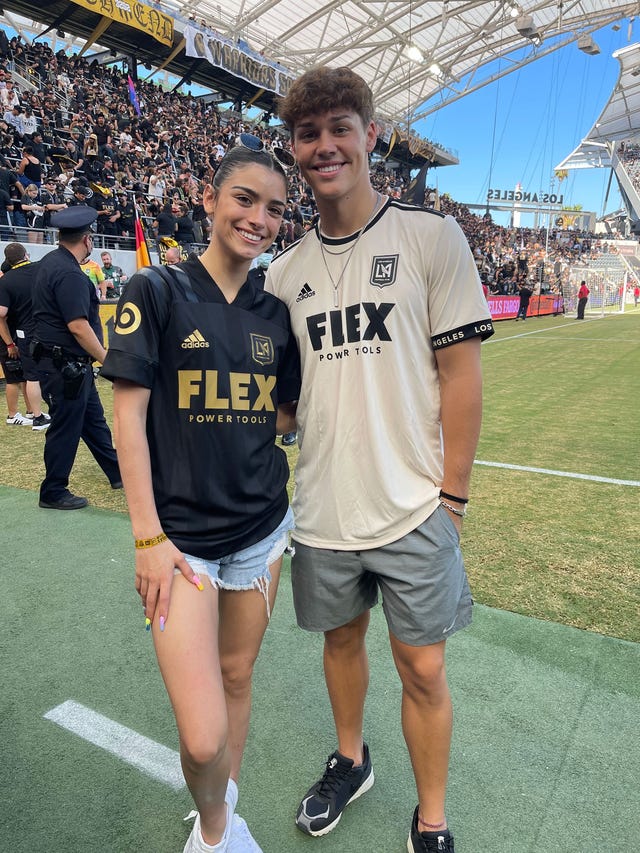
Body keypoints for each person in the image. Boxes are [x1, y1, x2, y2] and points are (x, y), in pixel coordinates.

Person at [266, 66, 494, 853]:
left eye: (340, 128)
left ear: (371, 135)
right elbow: (288, 402)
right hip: (324, 506)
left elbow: (461, 377)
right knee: (340, 644)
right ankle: (351, 759)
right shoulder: (282, 274)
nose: (324, 145)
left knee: (423, 668)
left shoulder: (432, 237)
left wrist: (453, 497)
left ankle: (431, 818)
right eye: (308, 133)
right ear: (295, 149)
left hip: (414, 505)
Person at [100, 145, 300, 853]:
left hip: (261, 529)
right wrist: (148, 538)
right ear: (209, 199)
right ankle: (215, 831)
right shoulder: (154, 290)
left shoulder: (276, 313)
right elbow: (128, 419)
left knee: (237, 675)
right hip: (179, 543)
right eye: (245, 198)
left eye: (274, 208)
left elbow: (283, 413)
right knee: (202, 734)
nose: (258, 218)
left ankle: (224, 813)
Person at [31, 206, 121, 510]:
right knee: (65, 428)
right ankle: (53, 491)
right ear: (87, 239)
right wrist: (108, 361)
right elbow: (79, 327)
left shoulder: (50, 263)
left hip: (68, 366)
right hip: (65, 366)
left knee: (93, 422)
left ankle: (117, 472)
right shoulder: (70, 274)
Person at [0, 242, 50, 430]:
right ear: (26, 255)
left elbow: (2, 314)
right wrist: (9, 344)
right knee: (20, 377)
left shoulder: (6, 281)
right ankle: (19, 414)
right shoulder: (39, 270)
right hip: (38, 330)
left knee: (28, 376)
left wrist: (10, 343)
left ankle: (34, 413)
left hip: (20, 334)